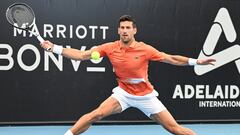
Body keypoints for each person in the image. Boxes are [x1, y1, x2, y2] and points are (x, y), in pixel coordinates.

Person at [41, 15, 215, 135]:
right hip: (123, 94)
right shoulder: (109, 48)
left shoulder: (145, 49)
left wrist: (195, 61)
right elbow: (81, 55)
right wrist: (53, 48)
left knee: (174, 129)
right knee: (96, 114)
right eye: (122, 28)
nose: (125, 31)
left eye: (128, 28)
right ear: (118, 30)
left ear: (134, 31)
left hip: (146, 96)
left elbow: (170, 58)